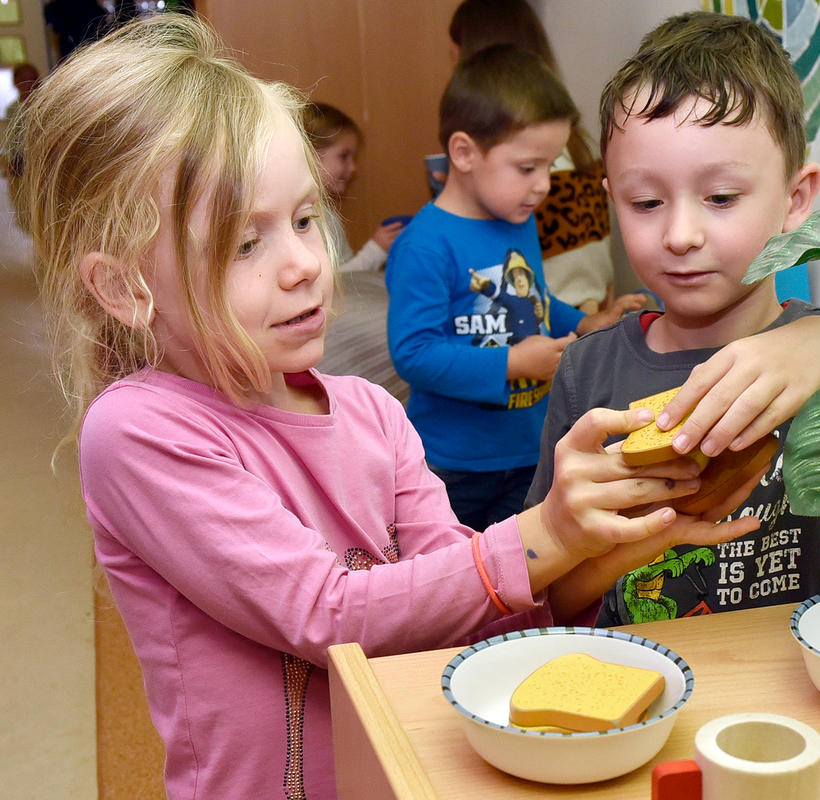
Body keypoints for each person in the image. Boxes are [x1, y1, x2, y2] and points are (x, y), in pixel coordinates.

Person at [7, 15, 763, 798]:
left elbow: (460, 612)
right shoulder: (138, 430)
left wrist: (595, 554)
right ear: (125, 288)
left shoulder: (372, 412)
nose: (305, 264)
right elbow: (325, 615)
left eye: (305, 220)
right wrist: (544, 533)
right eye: (244, 244)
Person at [526, 11, 820, 626]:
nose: (681, 234)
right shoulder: (587, 369)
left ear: (795, 198)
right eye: (646, 202)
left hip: (801, 691)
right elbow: (550, 598)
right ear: (614, 199)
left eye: (721, 198)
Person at [386, 43, 647, 531]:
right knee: (456, 583)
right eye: (528, 167)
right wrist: (511, 363)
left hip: (530, 447)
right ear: (464, 153)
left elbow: (531, 303)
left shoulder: (518, 220)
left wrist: (584, 320)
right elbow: (413, 353)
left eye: (550, 165)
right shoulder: (426, 244)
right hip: (454, 465)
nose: (544, 184)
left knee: (521, 578)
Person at [447, 0, 616, 313]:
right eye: (527, 169)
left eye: (456, 48)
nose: (543, 185)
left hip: (552, 316)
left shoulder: (512, 184)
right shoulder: (581, 144)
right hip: (594, 302)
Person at [301, 101, 404, 273]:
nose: (353, 168)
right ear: (309, 154)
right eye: (343, 156)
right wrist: (376, 249)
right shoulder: (310, 218)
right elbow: (338, 283)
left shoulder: (327, 215)